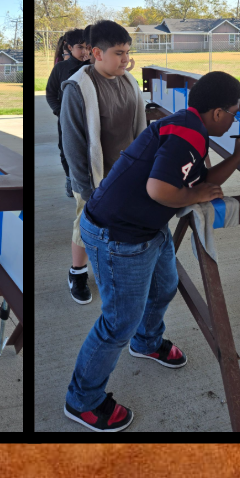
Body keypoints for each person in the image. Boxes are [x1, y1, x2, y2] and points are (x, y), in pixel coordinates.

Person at [63, 70, 240, 431]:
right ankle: (82, 401)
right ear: (217, 113)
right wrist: (195, 195)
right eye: (234, 112)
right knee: (118, 321)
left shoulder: (190, 128)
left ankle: (147, 341)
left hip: (146, 229)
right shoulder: (186, 135)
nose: (235, 119)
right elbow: (159, 189)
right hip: (117, 236)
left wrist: (238, 155)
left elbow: (201, 182)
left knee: (164, 286)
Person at [60, 21, 146, 305]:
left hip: (125, 174)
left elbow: (137, 129)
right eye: (119, 53)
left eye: (128, 52)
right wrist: (86, 188)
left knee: (118, 226)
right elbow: (72, 143)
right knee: (84, 226)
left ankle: (110, 269)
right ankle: (78, 272)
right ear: (97, 53)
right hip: (92, 178)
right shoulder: (77, 89)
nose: (127, 59)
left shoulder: (128, 82)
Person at [45, 28, 91, 197]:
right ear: (69, 47)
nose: (85, 51)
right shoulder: (61, 68)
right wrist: (59, 111)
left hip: (90, 118)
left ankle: (87, 181)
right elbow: (50, 93)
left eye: (88, 47)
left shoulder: (93, 67)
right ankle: (69, 178)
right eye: (80, 47)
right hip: (67, 119)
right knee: (66, 149)